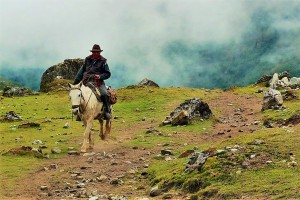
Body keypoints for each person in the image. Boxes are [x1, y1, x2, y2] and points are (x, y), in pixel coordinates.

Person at [74, 44, 112, 120]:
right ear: (92, 52)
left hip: (98, 83)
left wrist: (100, 76)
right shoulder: (87, 59)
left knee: (104, 94)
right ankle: (79, 113)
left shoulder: (103, 61)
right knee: (78, 94)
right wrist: (75, 84)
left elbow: (108, 74)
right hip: (86, 82)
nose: (95, 53)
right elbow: (81, 72)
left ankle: (106, 112)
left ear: (100, 52)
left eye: (97, 52)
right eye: (94, 52)